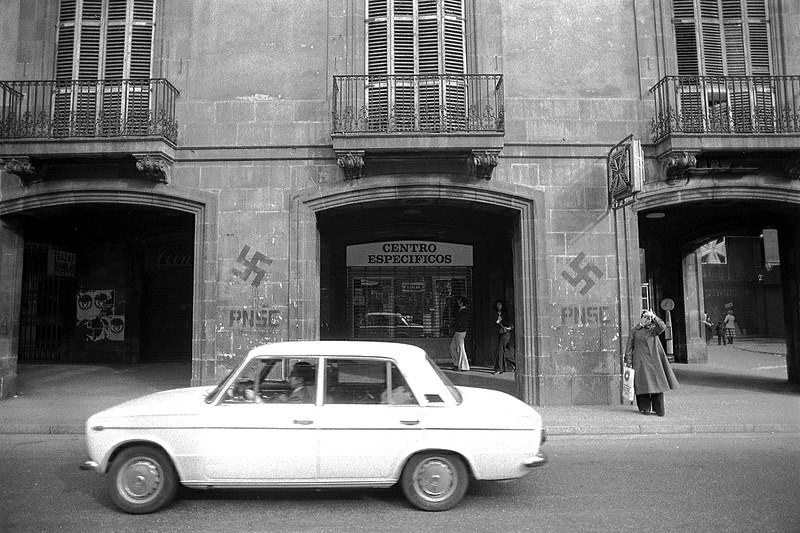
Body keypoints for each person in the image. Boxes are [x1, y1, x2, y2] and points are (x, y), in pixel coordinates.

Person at [624, 309, 679, 417]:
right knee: (642, 385)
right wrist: (629, 362)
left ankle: (659, 409)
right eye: (644, 317)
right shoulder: (634, 330)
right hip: (640, 362)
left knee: (656, 385)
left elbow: (663, 327)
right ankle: (645, 408)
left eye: (648, 318)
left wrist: (654, 316)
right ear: (641, 318)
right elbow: (629, 347)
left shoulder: (653, 330)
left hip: (654, 361)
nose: (646, 319)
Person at [492, 300, 515, 374]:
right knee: (504, 350)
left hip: (505, 333)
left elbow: (509, 323)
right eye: (497, 305)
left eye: (500, 304)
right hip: (501, 333)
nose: (498, 306)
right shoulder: (498, 314)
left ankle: (499, 368)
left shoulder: (505, 314)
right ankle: (515, 363)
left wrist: (502, 323)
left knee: (501, 350)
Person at [449, 297, 470, 371]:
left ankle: (463, 366)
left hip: (460, 332)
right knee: (453, 348)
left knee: (461, 349)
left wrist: (454, 326)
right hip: (459, 331)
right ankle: (457, 364)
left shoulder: (463, 312)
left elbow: (460, 322)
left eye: (459, 302)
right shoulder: (462, 311)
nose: (458, 303)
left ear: (462, 303)